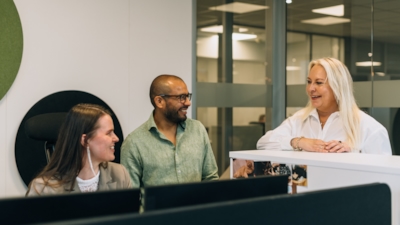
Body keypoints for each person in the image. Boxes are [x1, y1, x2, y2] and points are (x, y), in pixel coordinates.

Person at [257, 57, 392, 155]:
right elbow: (263, 143)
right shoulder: (299, 120)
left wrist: (353, 152)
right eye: (309, 82)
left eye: (319, 83)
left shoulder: (369, 128)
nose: (311, 89)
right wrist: (299, 142)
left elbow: (385, 177)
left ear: (338, 87)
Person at [121, 74, 219, 187]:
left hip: (197, 205)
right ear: (159, 101)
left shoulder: (198, 129)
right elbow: (131, 197)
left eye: (188, 96)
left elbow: (210, 178)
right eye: (181, 97)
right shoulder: (134, 143)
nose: (188, 103)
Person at [26, 103, 132, 196]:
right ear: (85, 140)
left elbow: (132, 218)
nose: (116, 138)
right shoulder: (43, 189)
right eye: (109, 133)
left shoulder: (119, 174)